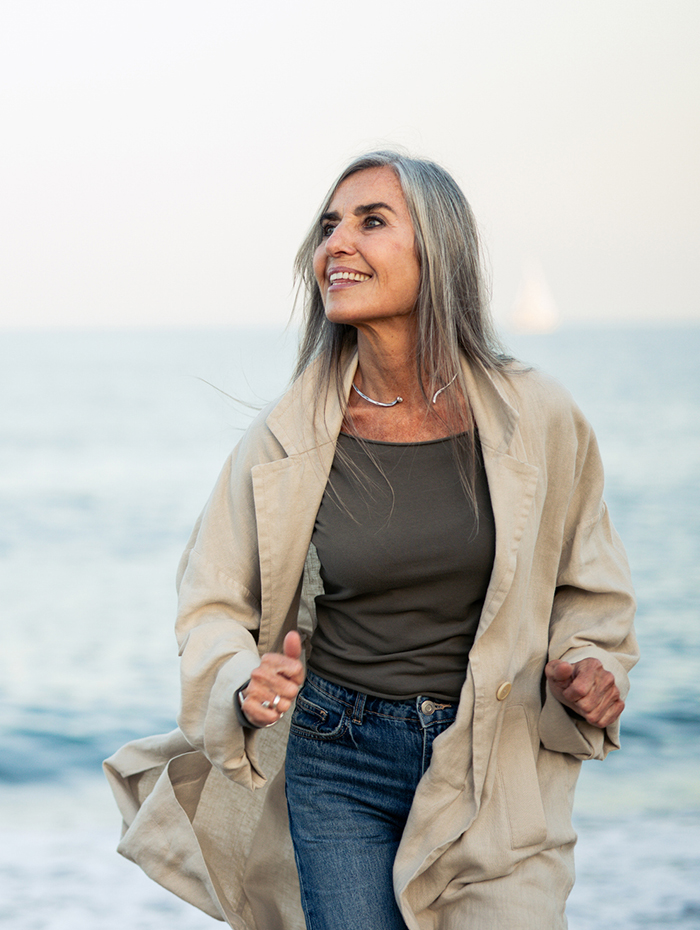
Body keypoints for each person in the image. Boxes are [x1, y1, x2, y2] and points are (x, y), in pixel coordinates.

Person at [105, 151, 638, 930]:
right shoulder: (286, 437)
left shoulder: (540, 416)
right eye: (328, 227)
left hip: (494, 762)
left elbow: (590, 590)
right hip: (337, 758)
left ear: (440, 251)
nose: (336, 244)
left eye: (371, 221)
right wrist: (243, 685)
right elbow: (212, 600)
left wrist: (591, 668)